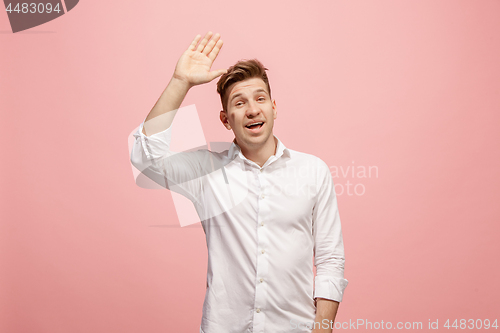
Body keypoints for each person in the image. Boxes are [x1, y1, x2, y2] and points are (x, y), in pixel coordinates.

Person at [130, 31, 348, 333]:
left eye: (260, 99)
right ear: (225, 119)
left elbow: (330, 260)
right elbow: (145, 157)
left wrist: (322, 330)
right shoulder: (206, 171)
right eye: (239, 102)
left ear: (274, 107)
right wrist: (181, 82)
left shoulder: (313, 170)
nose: (252, 109)